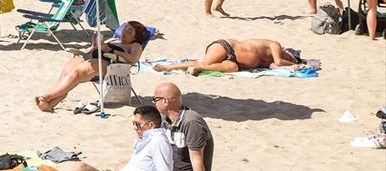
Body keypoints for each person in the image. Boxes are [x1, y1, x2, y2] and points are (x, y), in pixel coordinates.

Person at [34, 20, 150, 111]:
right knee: (67, 73)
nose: (125, 32)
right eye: (125, 28)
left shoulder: (135, 46)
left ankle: (46, 97)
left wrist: (112, 50)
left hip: (109, 64)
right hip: (90, 57)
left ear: (136, 37)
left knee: (76, 73)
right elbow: (90, 50)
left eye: (130, 31)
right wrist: (94, 45)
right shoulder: (114, 39)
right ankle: (51, 104)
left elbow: (133, 59)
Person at [152, 37, 303, 75]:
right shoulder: (275, 45)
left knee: (232, 68)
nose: (289, 60)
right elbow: (279, 61)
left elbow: (275, 65)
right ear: (287, 52)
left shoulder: (267, 61)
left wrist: (295, 66)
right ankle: (168, 66)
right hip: (227, 46)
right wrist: (292, 63)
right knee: (205, 62)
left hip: (234, 61)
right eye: (290, 57)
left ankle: (196, 68)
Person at [154, 82, 214, 171]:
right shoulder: (165, 119)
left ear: (165, 101)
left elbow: (196, 161)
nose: (154, 103)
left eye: (155, 99)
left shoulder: (192, 123)